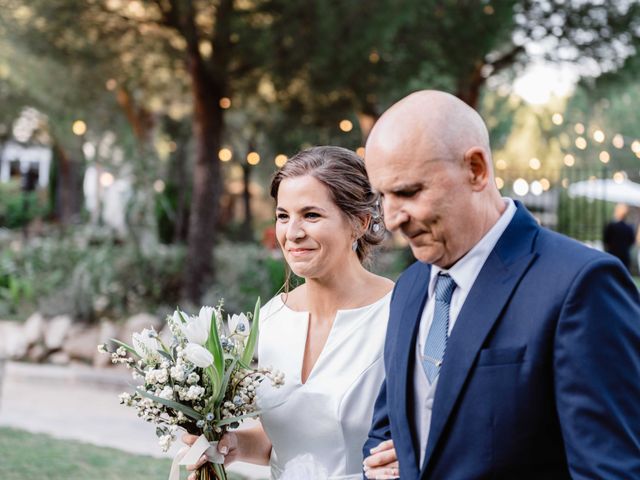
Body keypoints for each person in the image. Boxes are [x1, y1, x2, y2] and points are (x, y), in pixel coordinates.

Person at [362, 90, 640, 479]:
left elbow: (608, 471)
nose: (391, 219)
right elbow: (388, 431)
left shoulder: (580, 285)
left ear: (476, 169)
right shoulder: (408, 287)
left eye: (408, 192)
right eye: (382, 196)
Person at [184, 146, 394, 479]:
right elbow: (282, 440)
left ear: (360, 222)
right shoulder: (271, 318)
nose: (292, 233)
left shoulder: (398, 316)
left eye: (311, 215)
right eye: (283, 216)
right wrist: (229, 443)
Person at [603, 203, 636, 272]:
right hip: (624, 257)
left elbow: (606, 241)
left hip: (612, 256)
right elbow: (632, 241)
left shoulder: (611, 226)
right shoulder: (629, 228)